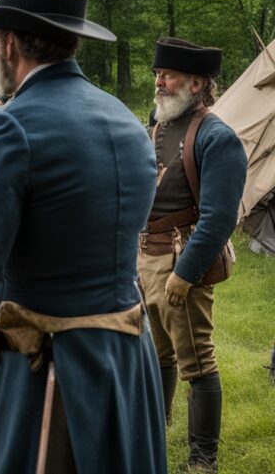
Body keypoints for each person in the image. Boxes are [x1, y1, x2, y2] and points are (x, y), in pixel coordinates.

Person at [0, 0, 167, 473]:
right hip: (129, 354)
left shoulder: (11, 125)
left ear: (8, 44)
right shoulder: (127, 120)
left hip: (51, 365)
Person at [139, 37, 246, 473]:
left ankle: (204, 459)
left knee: (197, 360)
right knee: (158, 355)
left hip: (183, 260)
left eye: (168, 76)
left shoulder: (218, 137)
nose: (159, 83)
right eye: (158, 76)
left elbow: (220, 218)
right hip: (146, 258)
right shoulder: (159, 126)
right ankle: (154, 434)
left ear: (197, 83)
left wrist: (184, 273)